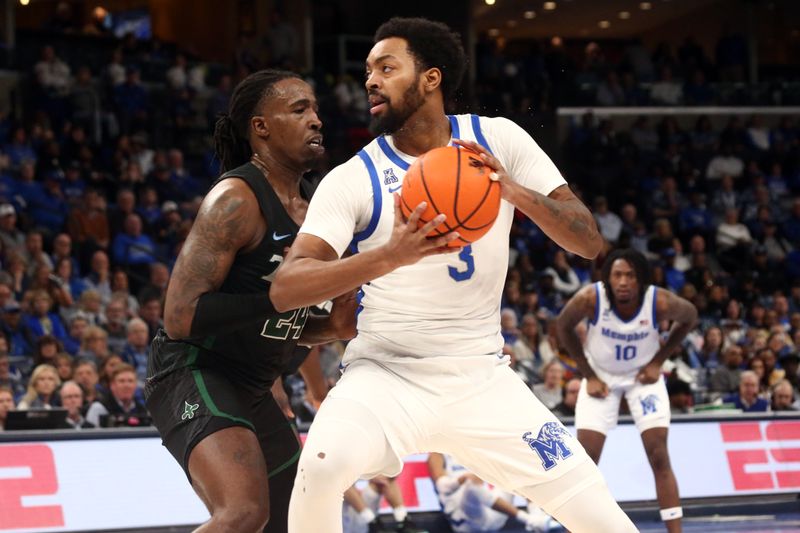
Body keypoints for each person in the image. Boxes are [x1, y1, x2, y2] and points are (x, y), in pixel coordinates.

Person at [272, 18, 635, 533]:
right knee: (322, 465)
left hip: (482, 377)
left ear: (431, 78)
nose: (370, 80)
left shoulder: (499, 138)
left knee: (601, 514)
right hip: (385, 373)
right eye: (367, 71)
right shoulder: (354, 177)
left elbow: (589, 241)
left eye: (386, 67)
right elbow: (286, 287)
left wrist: (513, 192)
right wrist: (387, 256)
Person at [144, 69, 357, 533]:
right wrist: (281, 296)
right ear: (260, 127)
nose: (316, 120)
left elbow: (295, 322)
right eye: (299, 109)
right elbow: (181, 318)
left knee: (292, 520)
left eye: (316, 109)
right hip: (194, 370)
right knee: (242, 513)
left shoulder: (319, 210)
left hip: (254, 385)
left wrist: (339, 321)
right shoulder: (236, 199)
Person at [556, 248, 698, 533]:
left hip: (642, 377)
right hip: (601, 376)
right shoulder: (590, 298)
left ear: (641, 280)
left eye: (630, 276)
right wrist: (589, 374)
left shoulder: (659, 302)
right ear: (608, 278)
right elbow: (563, 326)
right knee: (586, 459)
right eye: (617, 275)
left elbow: (691, 317)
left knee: (658, 454)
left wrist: (659, 360)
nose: (623, 281)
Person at [428, 452, 559, 532]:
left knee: (515, 469)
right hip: (466, 521)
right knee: (471, 483)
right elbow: (442, 487)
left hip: (494, 514)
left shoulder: (472, 445)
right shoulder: (436, 454)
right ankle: (529, 520)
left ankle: (538, 519)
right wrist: (463, 478)